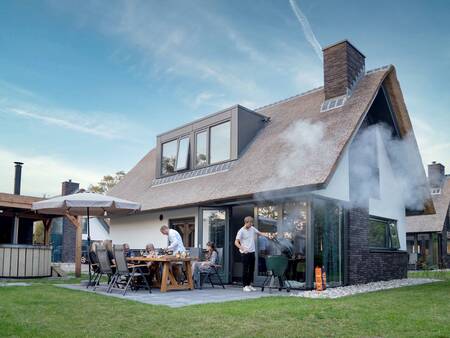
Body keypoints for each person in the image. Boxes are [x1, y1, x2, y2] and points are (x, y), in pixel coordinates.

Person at [234, 216, 269, 292]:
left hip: (252, 252)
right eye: (250, 223)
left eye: (252, 223)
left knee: (252, 269)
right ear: (246, 222)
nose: (251, 224)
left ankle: (249, 285)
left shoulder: (252, 228)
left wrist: (268, 235)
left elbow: (260, 233)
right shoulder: (241, 231)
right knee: (245, 270)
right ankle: (245, 286)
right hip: (245, 253)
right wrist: (243, 248)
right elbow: (236, 242)